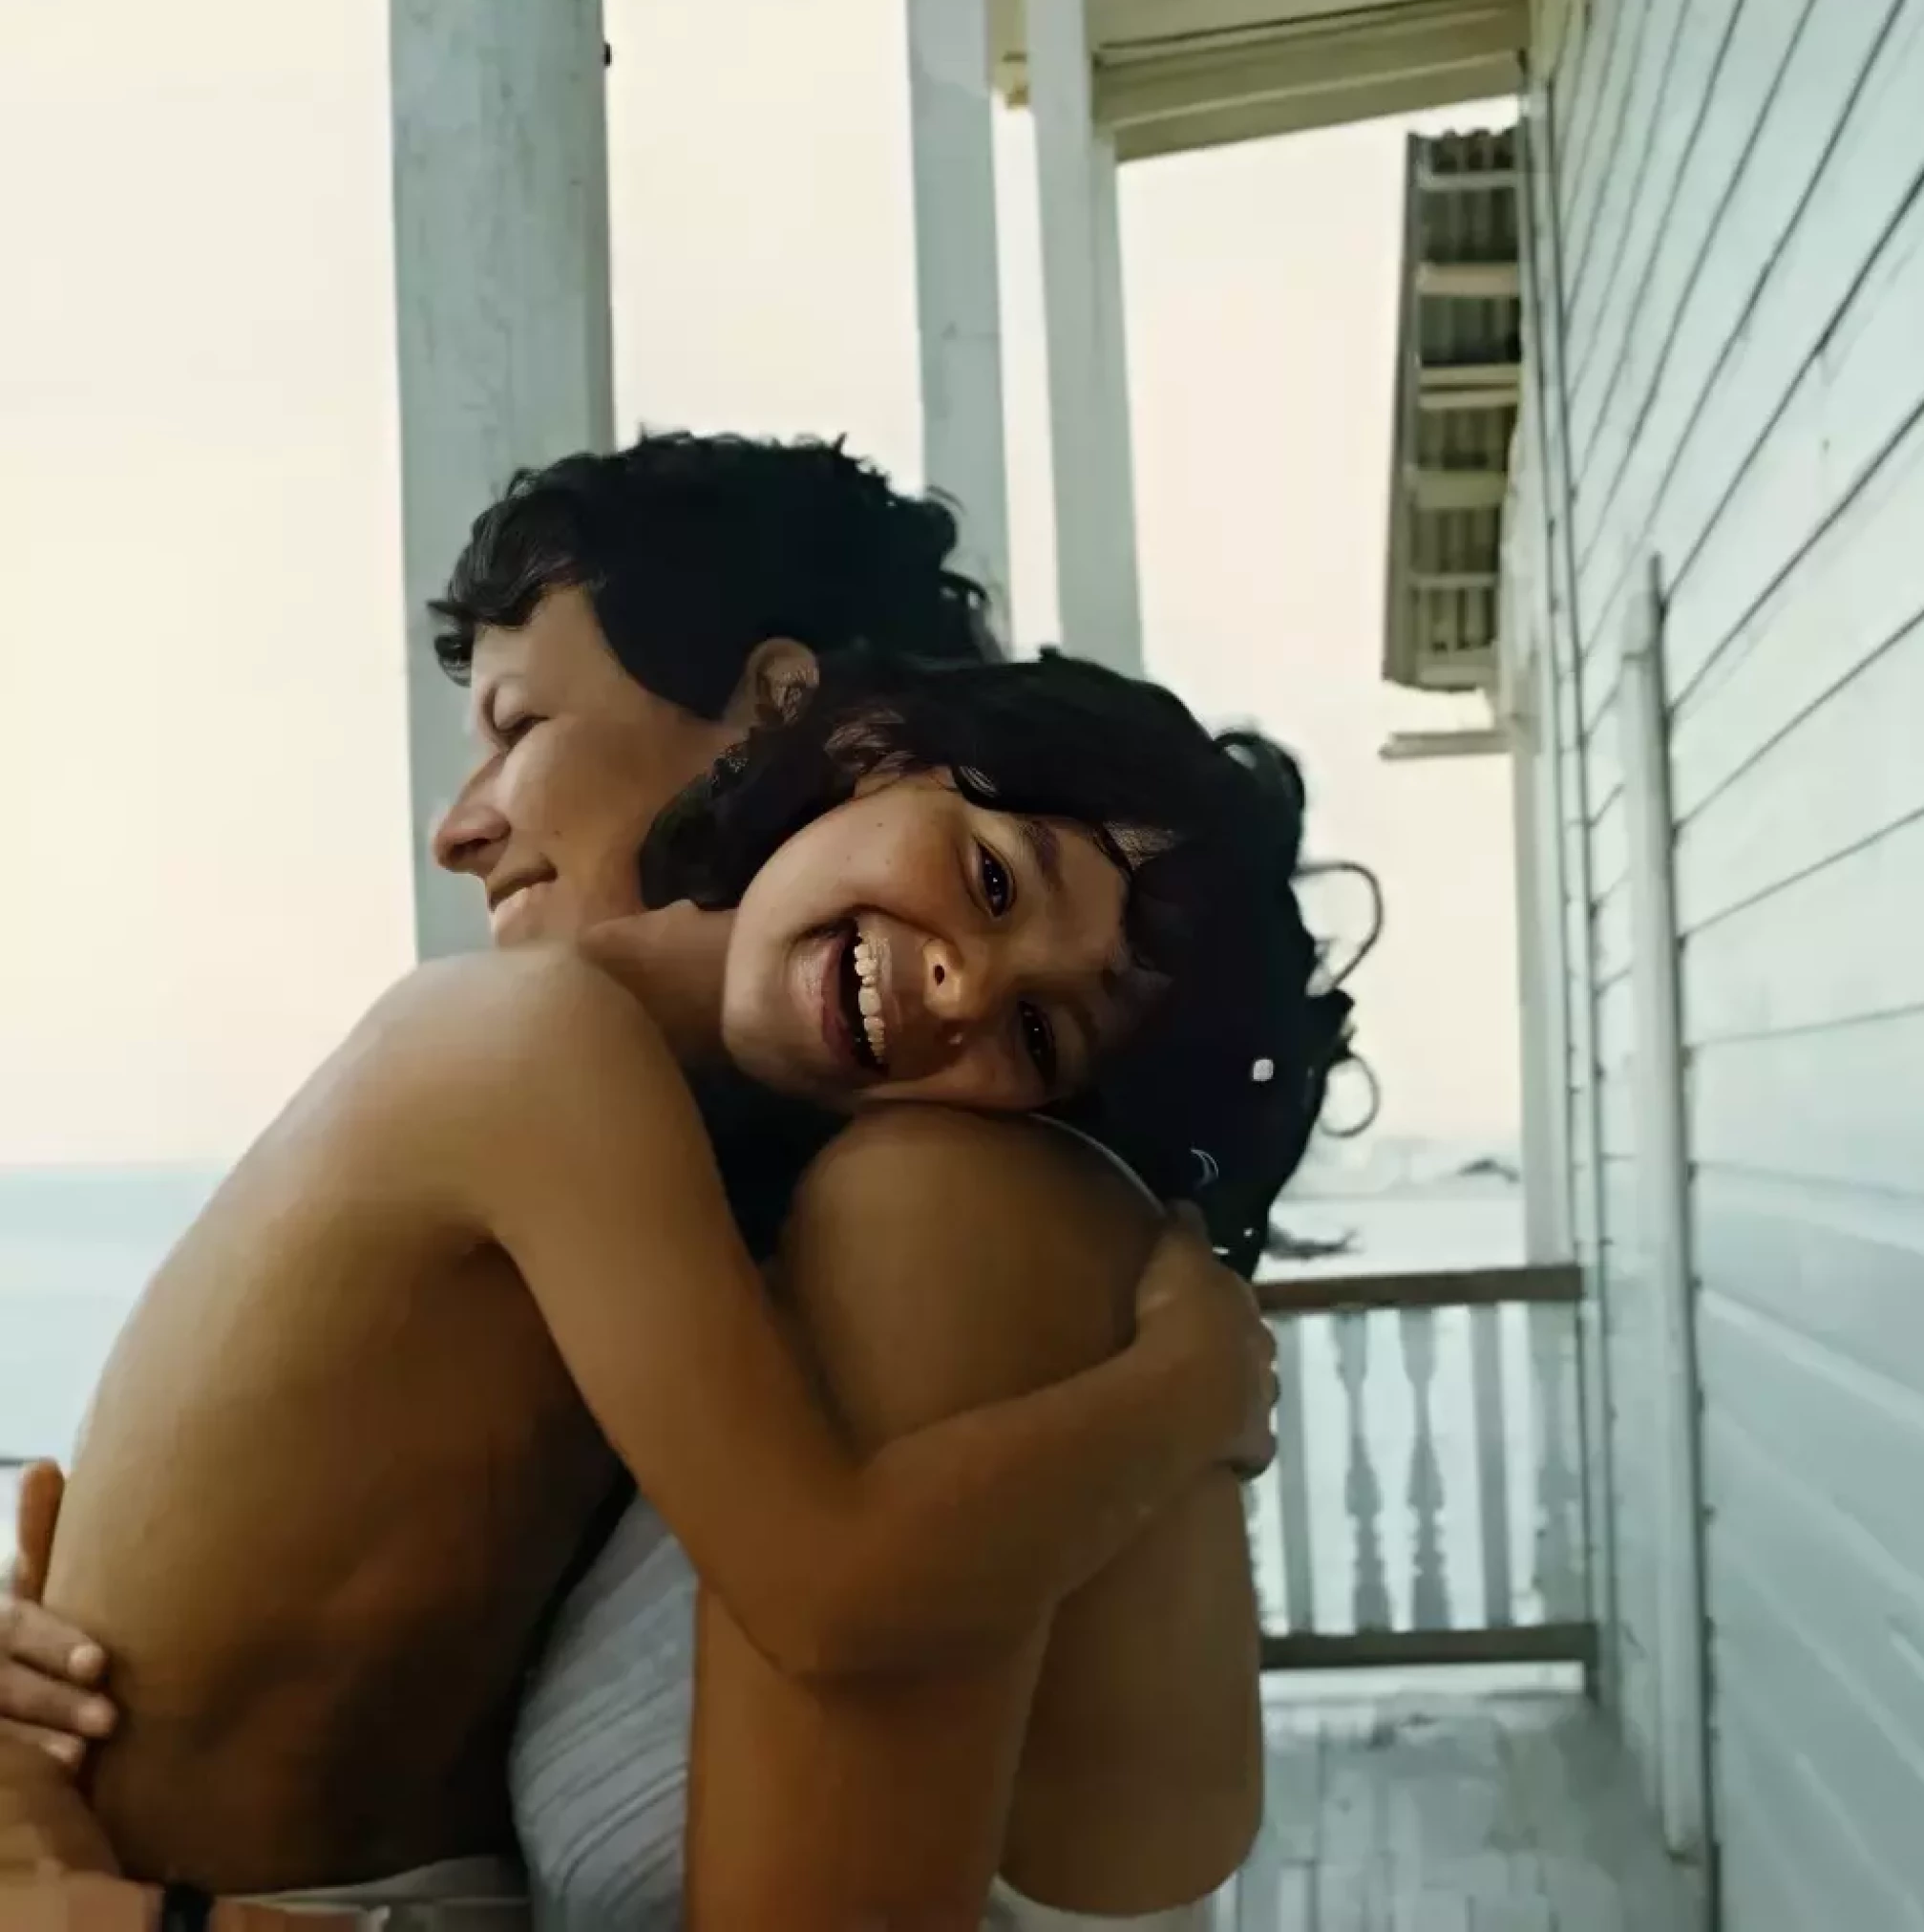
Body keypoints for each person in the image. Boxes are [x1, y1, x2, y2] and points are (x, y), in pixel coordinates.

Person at [1, 435, 1357, 1928]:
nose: (967, 986)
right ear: (854, 744)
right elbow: (827, 1590)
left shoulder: (876, 1202)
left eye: (520, 726)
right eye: (987, 881)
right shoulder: (545, 1053)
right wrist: (1179, 1400)